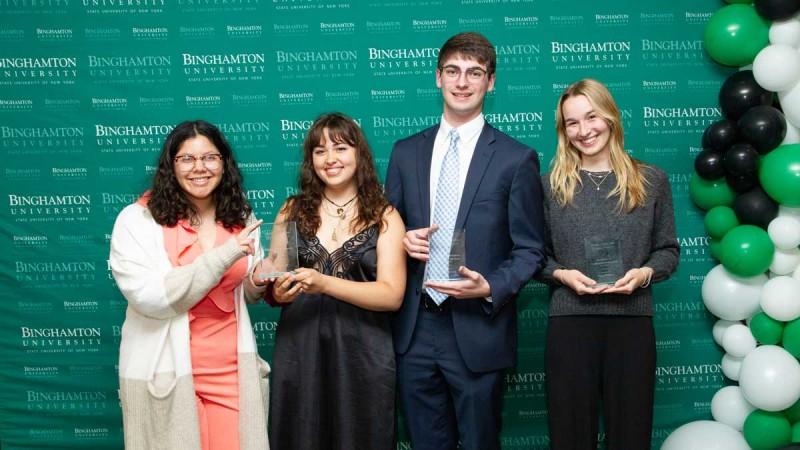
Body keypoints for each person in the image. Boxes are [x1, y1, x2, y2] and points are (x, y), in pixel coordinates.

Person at [384, 32, 546, 450]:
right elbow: (383, 232)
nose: (462, 82)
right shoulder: (404, 152)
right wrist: (400, 241)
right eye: (453, 71)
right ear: (437, 77)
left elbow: (531, 249)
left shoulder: (516, 158)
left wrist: (491, 286)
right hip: (414, 328)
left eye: (474, 73)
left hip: (478, 328)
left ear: (490, 82)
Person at [109, 120, 271, 450]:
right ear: (171, 165)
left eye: (210, 157)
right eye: (187, 159)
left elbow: (244, 291)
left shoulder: (240, 215)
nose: (200, 168)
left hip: (230, 370)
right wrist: (224, 255)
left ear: (224, 163)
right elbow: (149, 297)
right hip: (167, 370)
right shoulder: (137, 220)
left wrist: (259, 280)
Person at [540, 78, 680, 449]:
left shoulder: (652, 180)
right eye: (572, 123)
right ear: (563, 130)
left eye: (592, 117)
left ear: (611, 117)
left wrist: (645, 273)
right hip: (570, 324)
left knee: (631, 434)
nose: (584, 130)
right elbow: (535, 257)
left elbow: (668, 250)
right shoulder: (548, 186)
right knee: (569, 436)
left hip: (632, 324)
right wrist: (561, 274)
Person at [265, 112, 406, 450]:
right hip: (300, 351)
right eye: (320, 151)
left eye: (340, 148)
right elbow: (276, 280)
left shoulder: (385, 216)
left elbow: (392, 295)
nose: (330, 159)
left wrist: (324, 283)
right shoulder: (290, 210)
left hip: (362, 354)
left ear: (359, 154)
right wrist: (280, 292)